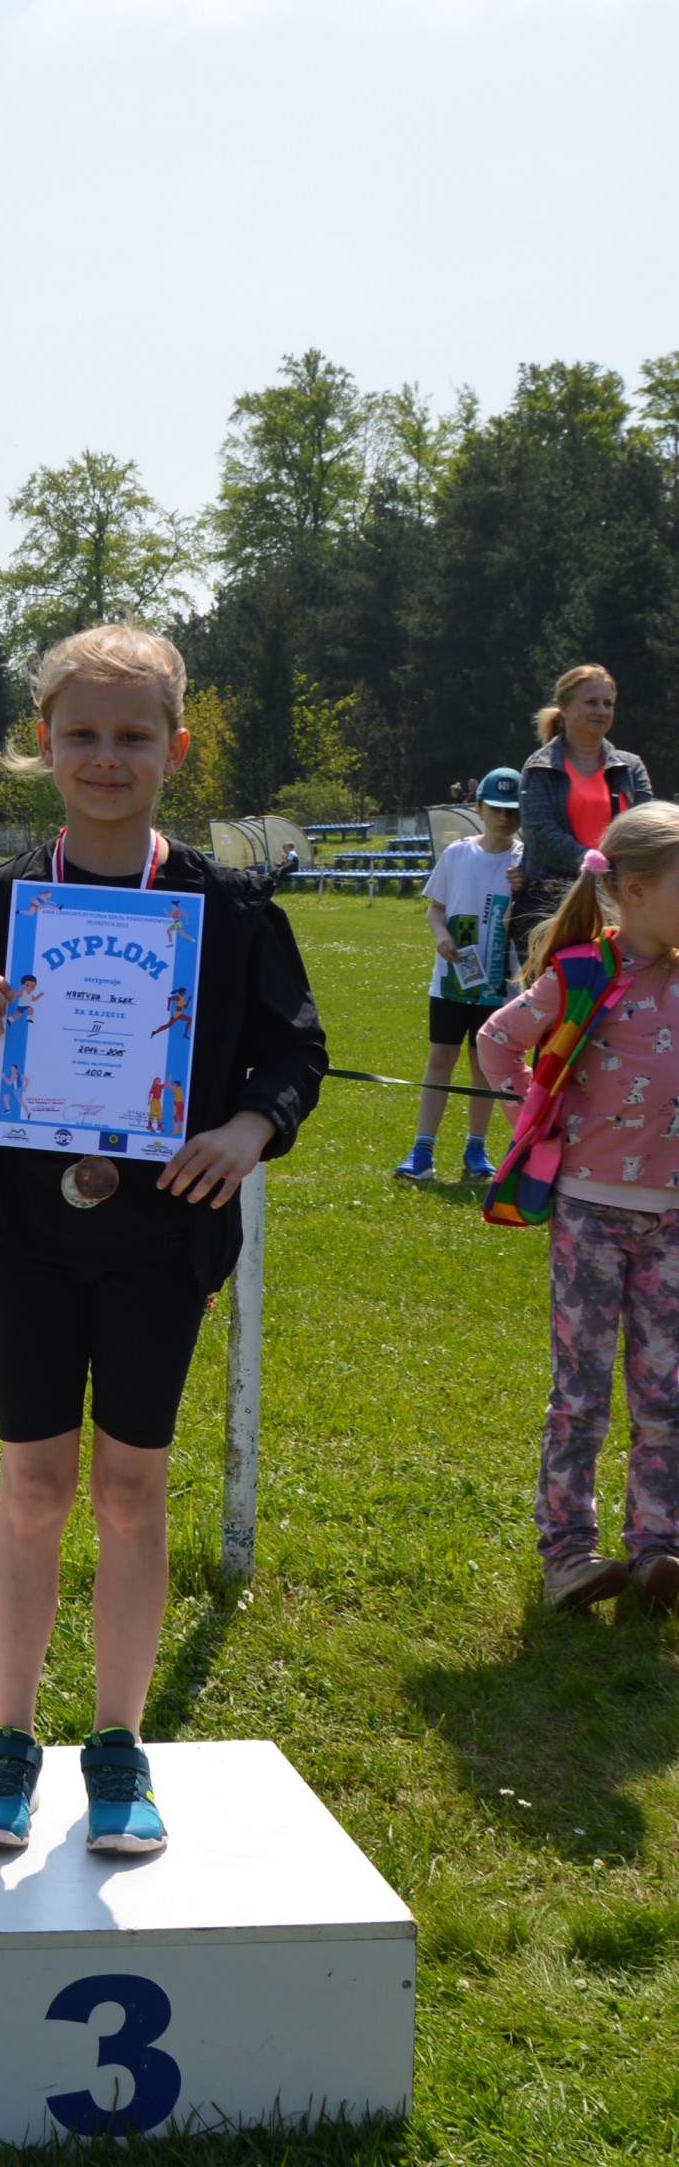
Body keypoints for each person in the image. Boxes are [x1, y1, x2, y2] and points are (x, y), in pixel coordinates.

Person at [0, 625, 326, 1855]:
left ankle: (116, 1743)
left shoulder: (226, 904)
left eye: (131, 735)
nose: (106, 756)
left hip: (161, 1237)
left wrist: (248, 1126)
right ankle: (5, 1740)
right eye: (81, 733)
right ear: (43, 745)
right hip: (32, 1234)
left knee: (132, 1489)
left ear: (173, 749)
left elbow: (293, 1051)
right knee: (33, 1486)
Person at [478, 803, 679, 1613]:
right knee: (581, 1396)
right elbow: (497, 1041)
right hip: (588, 1214)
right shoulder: (580, 975)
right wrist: (535, 1117)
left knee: (666, 1394)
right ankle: (567, 1553)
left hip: (672, 1222)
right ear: (633, 890)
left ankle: (657, 1548)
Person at [394, 769, 523, 1185]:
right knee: (440, 1059)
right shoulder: (457, 854)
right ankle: (422, 1151)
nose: (506, 817)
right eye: (497, 809)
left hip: (500, 985)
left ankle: (476, 1149)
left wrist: (527, 887)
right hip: (451, 981)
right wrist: (442, 936)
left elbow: (539, 919)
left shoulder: (526, 862)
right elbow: (436, 909)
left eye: (514, 810)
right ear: (478, 808)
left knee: (483, 1065)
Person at [514, 665, 653, 976]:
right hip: (553, 906)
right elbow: (539, 834)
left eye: (608, 703)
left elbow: (645, 827)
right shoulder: (539, 766)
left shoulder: (631, 767)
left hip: (619, 902)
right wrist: (589, 861)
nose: (601, 711)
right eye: (591, 702)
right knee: (557, 999)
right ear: (564, 708)